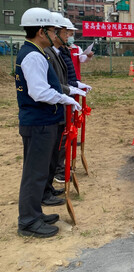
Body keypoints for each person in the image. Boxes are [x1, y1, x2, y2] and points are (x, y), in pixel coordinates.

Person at [15, 8, 81, 238]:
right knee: (34, 173)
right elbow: (39, 91)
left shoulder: (35, 52)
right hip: (39, 121)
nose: (54, 35)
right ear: (41, 31)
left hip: (42, 120)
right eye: (52, 30)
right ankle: (28, 220)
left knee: (40, 171)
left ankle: (35, 213)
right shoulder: (33, 55)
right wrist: (65, 97)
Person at [43, 13, 86, 204]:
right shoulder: (48, 53)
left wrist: (75, 85)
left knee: (63, 138)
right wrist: (69, 90)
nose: (69, 36)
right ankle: (58, 174)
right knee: (58, 142)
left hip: (63, 97)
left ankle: (52, 183)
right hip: (50, 107)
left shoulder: (62, 51)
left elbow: (66, 75)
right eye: (65, 32)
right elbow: (53, 83)